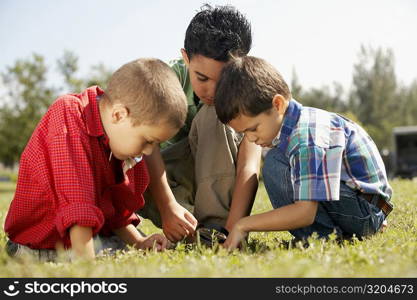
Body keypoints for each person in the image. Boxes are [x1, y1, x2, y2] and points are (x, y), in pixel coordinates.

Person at [4, 58, 187, 260]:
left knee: (126, 252)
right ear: (119, 114)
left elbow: (114, 210)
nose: (149, 152)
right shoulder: (69, 117)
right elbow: (77, 204)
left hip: (87, 239)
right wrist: (89, 269)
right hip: (38, 245)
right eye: (147, 141)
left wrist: (139, 242)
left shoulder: (115, 142)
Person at [214, 56, 393, 249]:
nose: (250, 139)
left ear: (277, 105)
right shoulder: (296, 127)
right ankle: (330, 235)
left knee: (275, 166)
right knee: (277, 161)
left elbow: (305, 212)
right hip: (365, 208)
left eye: (253, 129)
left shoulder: (306, 135)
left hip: (365, 210)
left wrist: (243, 225)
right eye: (243, 133)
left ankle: (322, 238)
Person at [140, 5, 262, 243]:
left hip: (220, 179)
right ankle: (189, 229)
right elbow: (147, 146)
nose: (213, 90)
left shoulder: (250, 88)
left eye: (224, 78)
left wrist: (234, 229)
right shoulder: (167, 80)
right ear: (186, 58)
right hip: (166, 185)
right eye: (202, 78)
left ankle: (214, 230)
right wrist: (167, 207)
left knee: (215, 112)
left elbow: (250, 164)